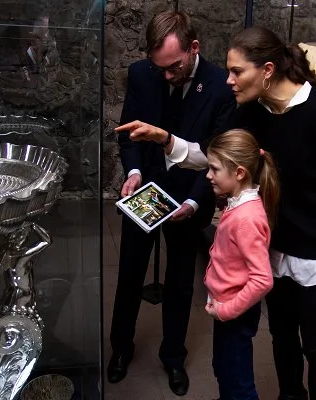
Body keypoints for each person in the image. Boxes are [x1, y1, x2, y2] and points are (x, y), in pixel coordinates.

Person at [129, 26, 316, 400]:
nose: (228, 80)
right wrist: (166, 139)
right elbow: (217, 159)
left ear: (266, 70)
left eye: (237, 72)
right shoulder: (251, 111)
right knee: (281, 336)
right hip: (278, 243)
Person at [109, 10, 236, 396]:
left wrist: (197, 204)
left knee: (181, 283)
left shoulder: (219, 85)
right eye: (159, 67)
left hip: (189, 196)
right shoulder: (141, 73)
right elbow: (129, 136)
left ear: (193, 48)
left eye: (174, 67)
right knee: (129, 273)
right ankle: (120, 349)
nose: (166, 75)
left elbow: (218, 155)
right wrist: (131, 173)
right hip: (144, 191)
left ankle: (173, 358)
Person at [204, 129, 276, 400]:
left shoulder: (246, 218)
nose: (208, 175)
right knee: (224, 369)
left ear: (239, 173)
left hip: (234, 310)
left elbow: (262, 280)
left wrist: (226, 311)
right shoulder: (236, 204)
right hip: (226, 304)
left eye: (214, 169)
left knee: (238, 383)